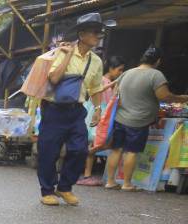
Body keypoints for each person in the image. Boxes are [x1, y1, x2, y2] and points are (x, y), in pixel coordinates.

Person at [36, 13, 106, 207]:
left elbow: (96, 87)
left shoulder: (97, 61)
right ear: (82, 34)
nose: (97, 36)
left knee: (80, 150)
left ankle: (65, 187)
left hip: (77, 111)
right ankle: (47, 191)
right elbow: (54, 79)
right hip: (54, 110)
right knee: (48, 152)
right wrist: (67, 56)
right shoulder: (60, 52)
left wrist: (98, 108)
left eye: (99, 33)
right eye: (94, 32)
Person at [104, 46, 188, 190]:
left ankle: (110, 181)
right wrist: (181, 98)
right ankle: (127, 184)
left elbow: (116, 94)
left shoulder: (127, 73)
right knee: (131, 151)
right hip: (139, 120)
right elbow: (164, 96)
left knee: (116, 149)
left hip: (120, 118)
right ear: (158, 61)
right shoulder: (156, 75)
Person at [77, 56, 126, 185]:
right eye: (119, 70)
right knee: (96, 143)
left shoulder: (112, 83)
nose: (120, 73)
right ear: (111, 68)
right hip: (97, 112)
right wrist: (113, 84)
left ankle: (87, 171)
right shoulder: (103, 80)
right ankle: (87, 174)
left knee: (98, 143)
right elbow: (94, 91)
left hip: (104, 113)